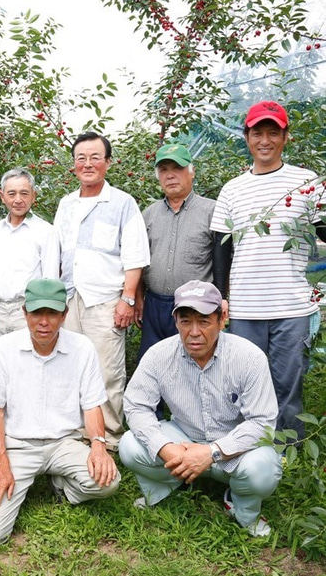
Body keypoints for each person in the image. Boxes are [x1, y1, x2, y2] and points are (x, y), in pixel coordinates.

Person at [119, 280, 282, 537]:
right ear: (175, 322)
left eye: (204, 321)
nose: (194, 332)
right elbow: (136, 406)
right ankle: (170, 483)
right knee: (129, 446)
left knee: (263, 470)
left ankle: (243, 507)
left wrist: (211, 453)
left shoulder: (249, 358)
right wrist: (166, 448)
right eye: (185, 321)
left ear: (222, 319)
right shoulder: (158, 355)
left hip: (233, 450)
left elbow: (262, 423)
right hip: (183, 440)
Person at [0, 278, 120, 545]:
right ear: (24, 313)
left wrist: (98, 446)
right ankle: (24, 479)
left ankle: (62, 486)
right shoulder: (4, 348)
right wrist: (2, 463)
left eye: (52, 313)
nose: (44, 321)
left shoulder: (82, 348)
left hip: (65, 443)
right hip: (18, 447)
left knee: (108, 481)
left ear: (64, 315)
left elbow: (92, 405)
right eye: (36, 312)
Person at [210, 101, 326, 437]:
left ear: (285, 137)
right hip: (246, 307)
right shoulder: (232, 189)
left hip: (292, 306)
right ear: (246, 137)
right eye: (257, 132)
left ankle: (289, 448)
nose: (265, 139)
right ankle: (249, 443)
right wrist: (222, 297)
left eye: (273, 132)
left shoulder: (305, 183)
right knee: (245, 381)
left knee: (289, 383)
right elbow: (222, 247)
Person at [54, 132, 150, 450]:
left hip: (105, 301)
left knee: (106, 370)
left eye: (95, 157)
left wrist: (127, 299)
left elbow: (135, 257)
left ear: (108, 162)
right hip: (69, 298)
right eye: (81, 158)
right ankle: (75, 434)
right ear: (73, 165)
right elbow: (58, 254)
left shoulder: (122, 203)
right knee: (69, 367)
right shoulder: (66, 205)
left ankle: (107, 437)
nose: (88, 164)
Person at [135, 144, 217, 361]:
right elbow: (138, 260)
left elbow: (224, 261)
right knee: (154, 365)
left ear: (191, 172)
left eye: (177, 168)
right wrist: (138, 298)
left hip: (196, 307)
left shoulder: (212, 212)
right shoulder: (148, 215)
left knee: (194, 367)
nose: (170, 176)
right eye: (164, 170)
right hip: (154, 306)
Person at [0, 168, 60, 343]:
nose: (18, 200)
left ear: (33, 195)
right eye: (11, 193)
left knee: (29, 363)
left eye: (24, 193)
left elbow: (51, 278)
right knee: (1, 364)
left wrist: (43, 316)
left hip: (28, 309)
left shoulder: (46, 231)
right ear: (2, 196)